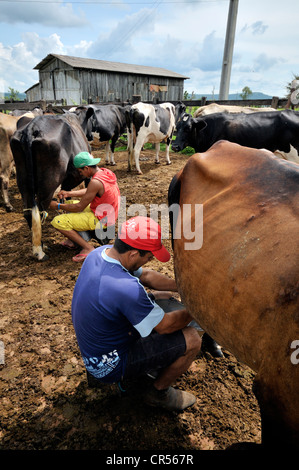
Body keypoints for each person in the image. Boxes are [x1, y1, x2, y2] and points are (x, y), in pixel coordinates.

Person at [71, 216, 202, 412]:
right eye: (149, 256)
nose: (150, 260)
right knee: (192, 338)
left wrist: (183, 287)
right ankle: (158, 393)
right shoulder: (126, 288)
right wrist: (196, 306)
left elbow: (147, 276)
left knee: (158, 296)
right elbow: (166, 326)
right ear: (133, 254)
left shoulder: (99, 254)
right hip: (110, 365)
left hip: (95, 352)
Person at [49, 151, 120, 262]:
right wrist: (69, 193)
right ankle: (73, 241)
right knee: (69, 204)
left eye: (80, 171)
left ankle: (88, 248)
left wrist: (57, 206)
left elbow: (79, 207)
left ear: (86, 168)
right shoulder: (105, 173)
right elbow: (90, 190)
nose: (80, 174)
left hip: (102, 220)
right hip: (108, 214)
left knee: (58, 221)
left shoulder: (95, 182)